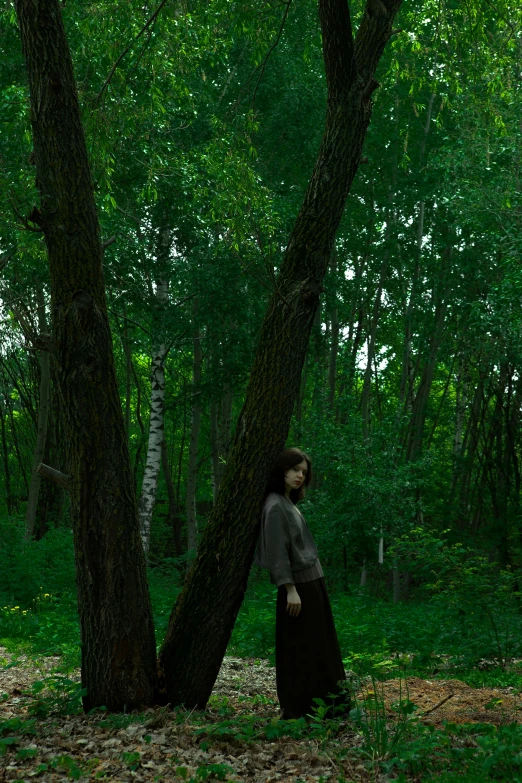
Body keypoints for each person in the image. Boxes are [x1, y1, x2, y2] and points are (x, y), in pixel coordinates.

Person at [255, 447, 347, 719]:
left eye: (304, 472)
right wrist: (290, 590)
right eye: (295, 469)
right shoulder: (274, 506)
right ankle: (302, 710)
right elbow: (277, 553)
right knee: (303, 651)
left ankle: (328, 708)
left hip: (311, 584)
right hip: (299, 589)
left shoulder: (287, 502)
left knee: (320, 648)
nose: (300, 476)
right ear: (283, 469)